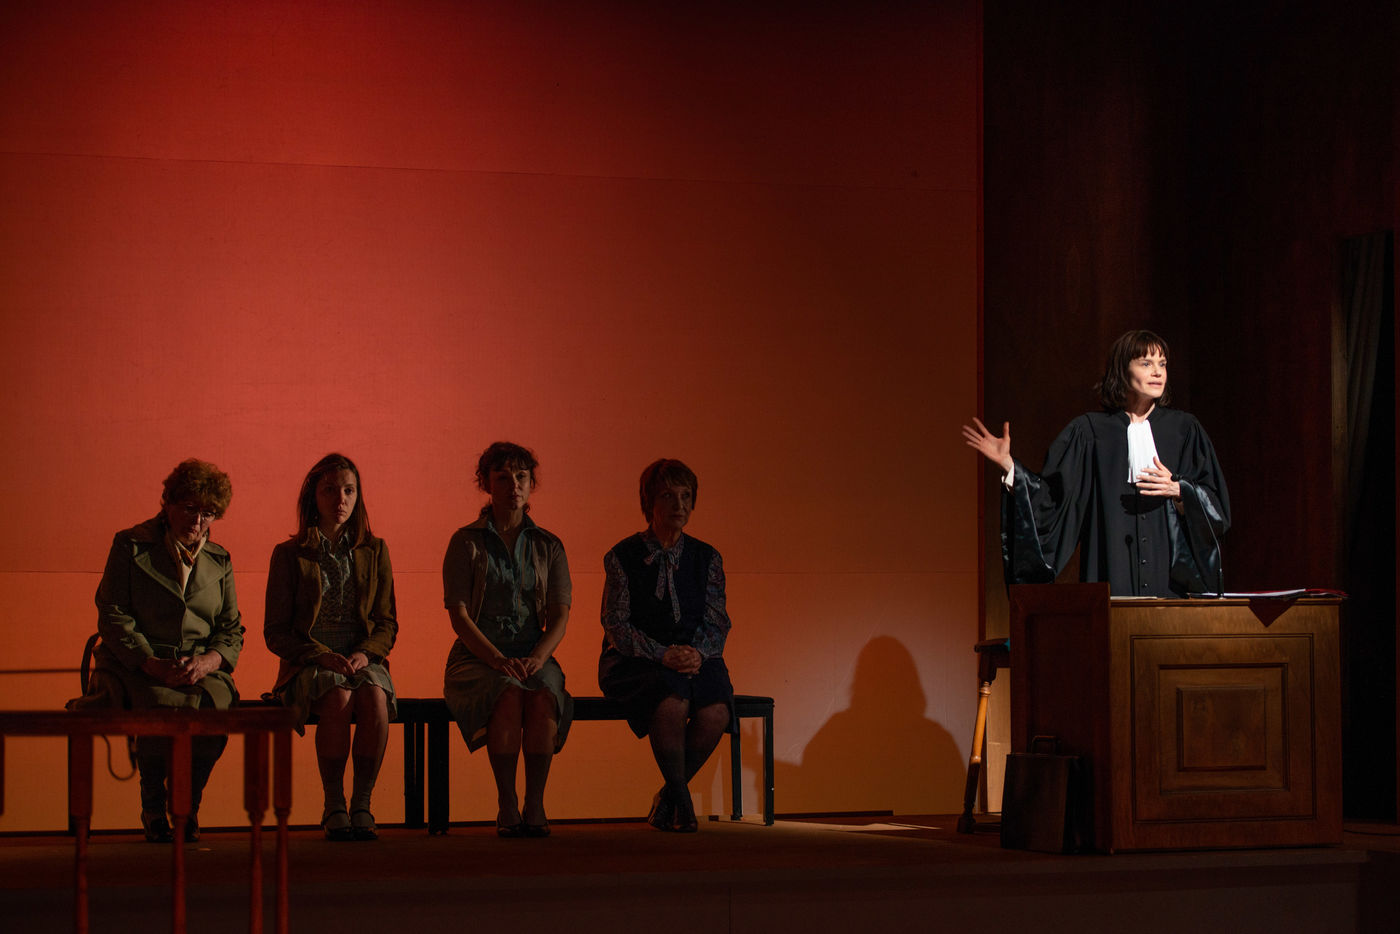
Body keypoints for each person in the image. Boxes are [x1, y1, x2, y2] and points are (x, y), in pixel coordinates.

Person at [962, 329, 1230, 598]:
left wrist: (1181, 491)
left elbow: (1216, 508)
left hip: (1171, 583)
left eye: (1162, 364)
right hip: (1110, 576)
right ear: (1122, 370)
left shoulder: (1184, 430)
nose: (1157, 372)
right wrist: (1010, 466)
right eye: (1146, 363)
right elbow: (1052, 502)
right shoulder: (1089, 432)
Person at [90, 458, 243, 843]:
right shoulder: (130, 545)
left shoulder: (220, 559)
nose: (198, 520)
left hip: (200, 668)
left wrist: (209, 662)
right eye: (190, 508)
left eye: (208, 513)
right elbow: (112, 612)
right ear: (168, 502)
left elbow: (230, 629)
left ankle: (187, 805)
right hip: (138, 663)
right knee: (160, 707)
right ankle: (154, 806)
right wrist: (149, 662)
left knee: (215, 712)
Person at [264, 453, 397, 841]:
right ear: (314, 496)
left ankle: (363, 802)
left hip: (361, 657)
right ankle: (334, 802)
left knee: (374, 696)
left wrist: (366, 653)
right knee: (338, 695)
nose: (341, 499)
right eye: (330, 490)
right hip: (310, 660)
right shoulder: (290, 554)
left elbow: (387, 622)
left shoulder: (375, 550)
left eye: (349, 490)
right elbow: (276, 632)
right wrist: (319, 655)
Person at [442, 442, 572, 838]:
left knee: (543, 693)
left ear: (532, 483)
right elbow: (460, 615)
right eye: (503, 477)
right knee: (508, 692)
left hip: (533, 652)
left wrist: (538, 658)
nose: (513, 485)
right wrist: (497, 659)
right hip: (477, 655)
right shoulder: (466, 541)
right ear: (486, 483)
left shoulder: (548, 544)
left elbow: (560, 614)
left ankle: (536, 802)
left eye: (521, 477)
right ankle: (507, 802)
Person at [599, 458, 733, 832]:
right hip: (636, 658)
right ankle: (684, 805)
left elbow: (717, 620)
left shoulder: (707, 557)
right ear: (650, 502)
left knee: (716, 711)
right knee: (672, 701)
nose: (679, 505)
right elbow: (616, 624)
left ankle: (670, 795)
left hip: (695, 656)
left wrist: (697, 653)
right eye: (668, 496)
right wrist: (662, 654)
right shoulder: (622, 556)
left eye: (686, 496)